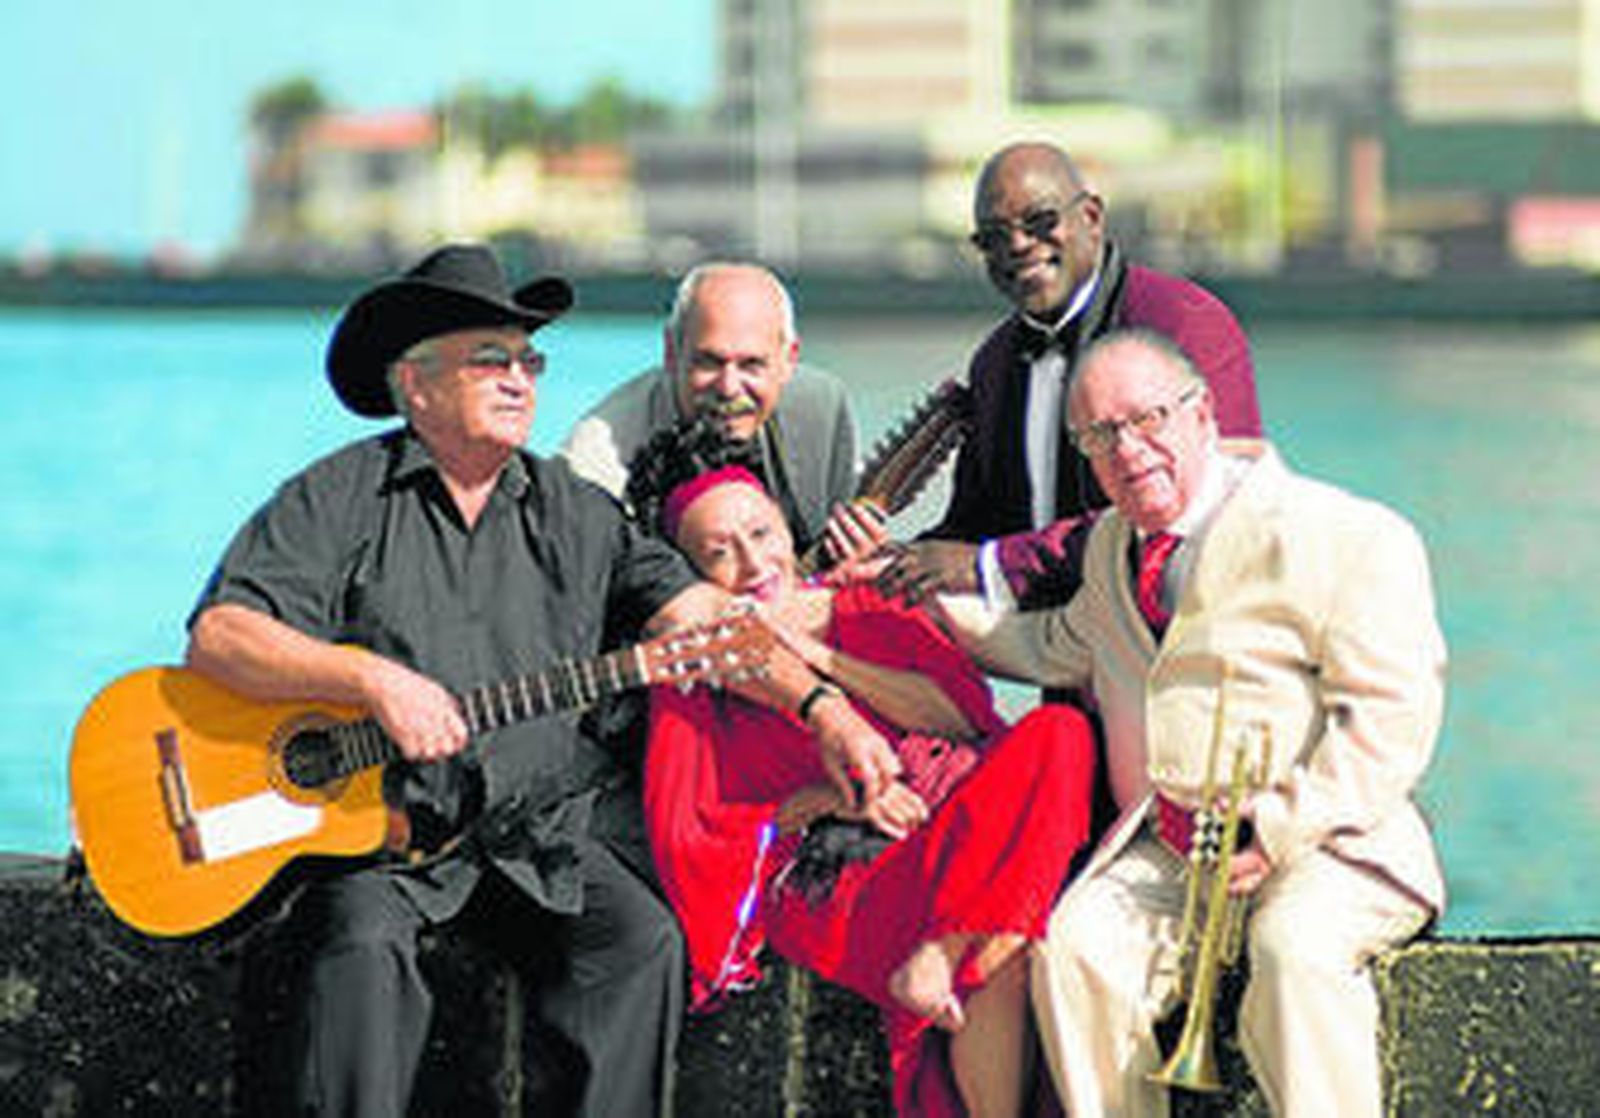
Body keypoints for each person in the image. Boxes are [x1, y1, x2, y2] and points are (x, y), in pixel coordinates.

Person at [183, 243, 899, 1118]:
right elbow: (221, 635)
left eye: (529, 361)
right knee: (357, 945)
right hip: (383, 840)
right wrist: (370, 680)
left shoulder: (575, 511)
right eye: (492, 360)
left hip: (536, 839)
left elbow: (710, 624)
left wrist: (822, 707)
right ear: (416, 384)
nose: (520, 379)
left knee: (642, 945)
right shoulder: (337, 497)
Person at [935, 329, 1446, 1118]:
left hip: (1329, 845)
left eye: (1148, 420)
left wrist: (1276, 825)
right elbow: (1051, 644)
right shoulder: (1111, 545)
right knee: (1075, 950)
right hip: (1173, 856)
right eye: (1100, 436)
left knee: (1294, 955)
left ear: (1203, 412)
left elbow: (1392, 720)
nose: (1128, 451)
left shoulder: (1348, 534)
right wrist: (906, 609)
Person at [631, 431, 1098, 1118]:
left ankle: (938, 955)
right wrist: (829, 800)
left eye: (761, 533)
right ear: (693, 575)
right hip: (843, 866)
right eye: (720, 553)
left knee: (1060, 731)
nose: (755, 563)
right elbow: (692, 831)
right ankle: (946, 957)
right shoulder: (700, 665)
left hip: (956, 818)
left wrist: (814, 656)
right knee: (1002, 939)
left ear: (786, 525)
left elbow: (958, 717)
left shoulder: (861, 596)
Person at [880, 141, 1262, 610]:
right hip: (1048, 645)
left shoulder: (1185, 322)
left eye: (1040, 222)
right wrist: (888, 561)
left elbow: (1206, 509)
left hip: (1177, 637)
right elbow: (973, 530)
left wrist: (992, 566)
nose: (1018, 245)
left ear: (1092, 217)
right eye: (993, 237)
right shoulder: (994, 362)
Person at [561, 260, 881, 563]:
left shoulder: (821, 408)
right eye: (709, 363)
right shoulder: (594, 469)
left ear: (789, 359)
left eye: (751, 365)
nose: (729, 388)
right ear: (671, 353)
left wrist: (865, 558)